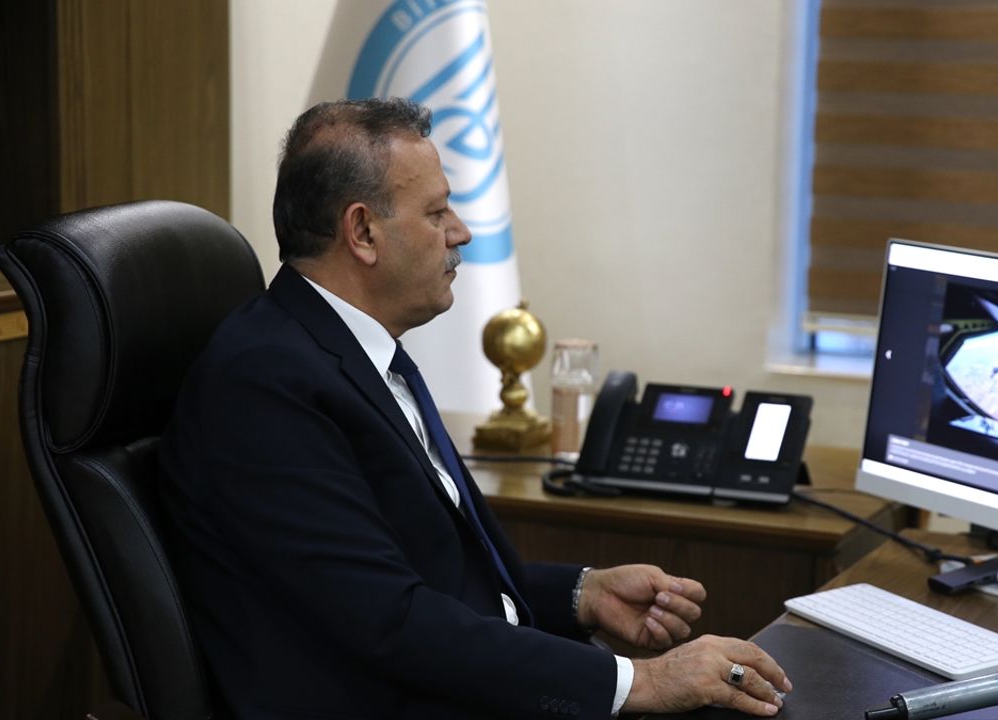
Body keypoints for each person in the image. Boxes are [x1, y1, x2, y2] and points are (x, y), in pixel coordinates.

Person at [159, 98, 790, 719]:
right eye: (437, 213)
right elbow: (390, 622)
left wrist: (582, 593)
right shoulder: (265, 384)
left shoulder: (351, 354)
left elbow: (438, 580)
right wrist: (640, 682)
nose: (460, 232)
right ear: (363, 232)